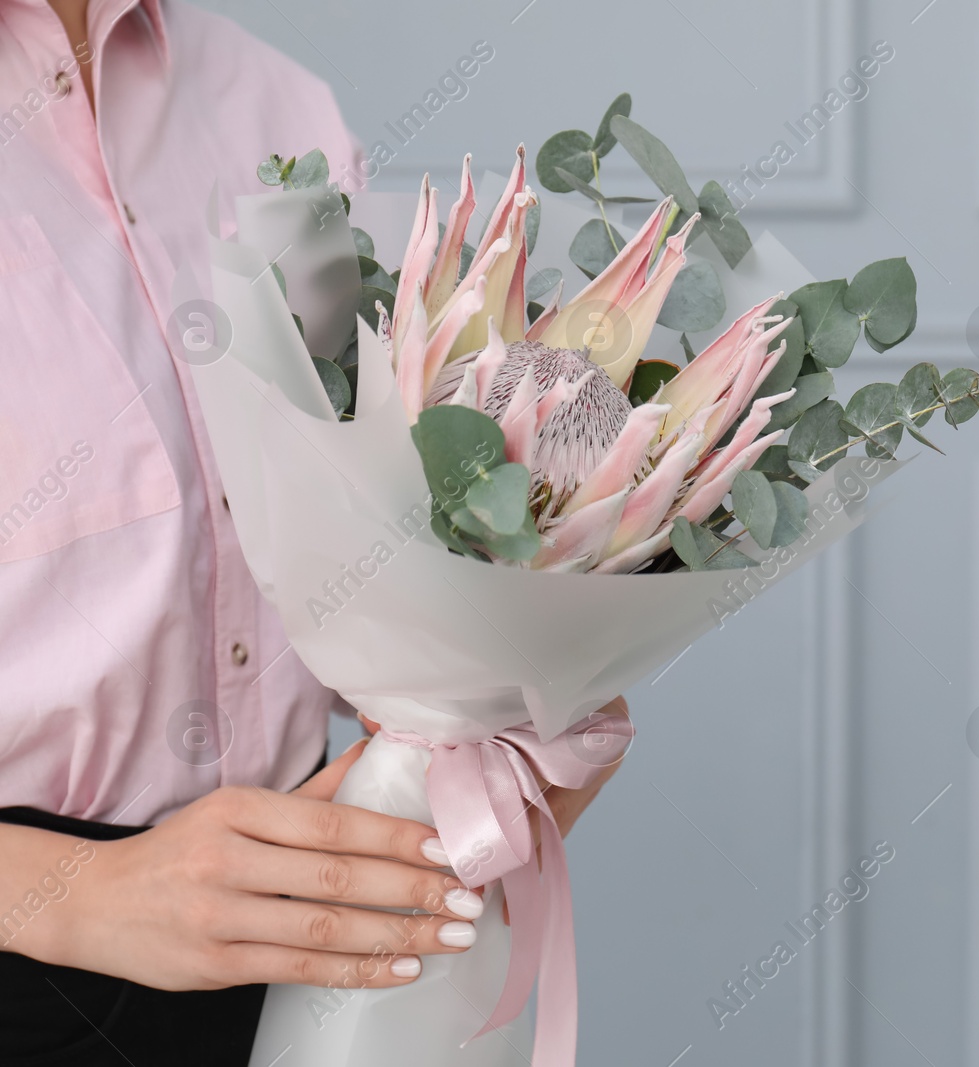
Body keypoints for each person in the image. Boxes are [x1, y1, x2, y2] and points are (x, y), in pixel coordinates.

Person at [0, 1, 625, 1062]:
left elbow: (363, 531)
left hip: (313, 961)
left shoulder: (276, 108)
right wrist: (68, 896)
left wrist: (505, 715)